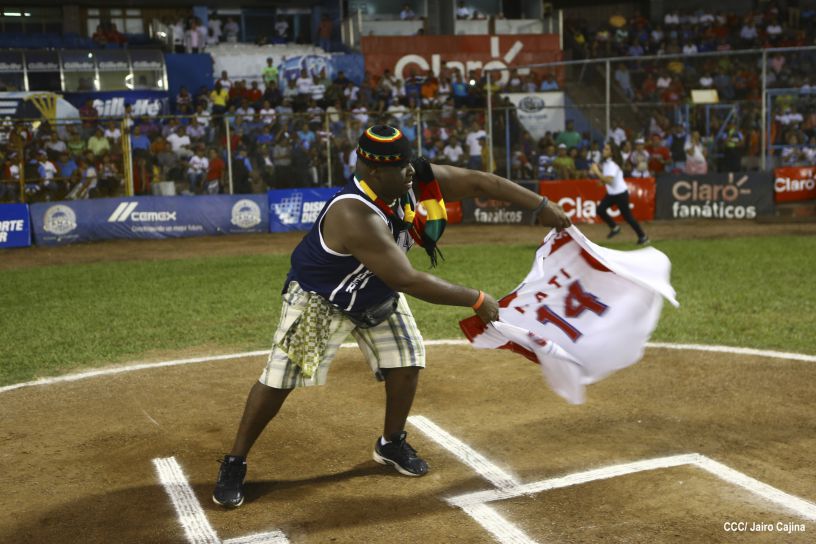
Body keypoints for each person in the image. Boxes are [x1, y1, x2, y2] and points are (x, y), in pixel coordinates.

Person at [212, 124, 571, 508]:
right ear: (373, 173)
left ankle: (390, 443)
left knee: (406, 361)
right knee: (280, 378)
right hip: (322, 299)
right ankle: (235, 461)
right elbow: (407, 278)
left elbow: (482, 182)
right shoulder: (352, 212)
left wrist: (540, 206)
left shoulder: (410, 181)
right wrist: (476, 298)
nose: (412, 172)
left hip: (376, 292)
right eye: (401, 168)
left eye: (409, 164)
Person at [590, 142, 648, 245]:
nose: (604, 150)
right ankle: (615, 227)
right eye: (604, 148)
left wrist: (597, 172)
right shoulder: (608, 163)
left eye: (607, 149)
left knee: (628, 217)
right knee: (600, 209)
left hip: (620, 194)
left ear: (612, 153)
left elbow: (609, 180)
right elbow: (609, 179)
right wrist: (602, 181)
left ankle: (643, 237)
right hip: (612, 193)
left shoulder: (612, 164)